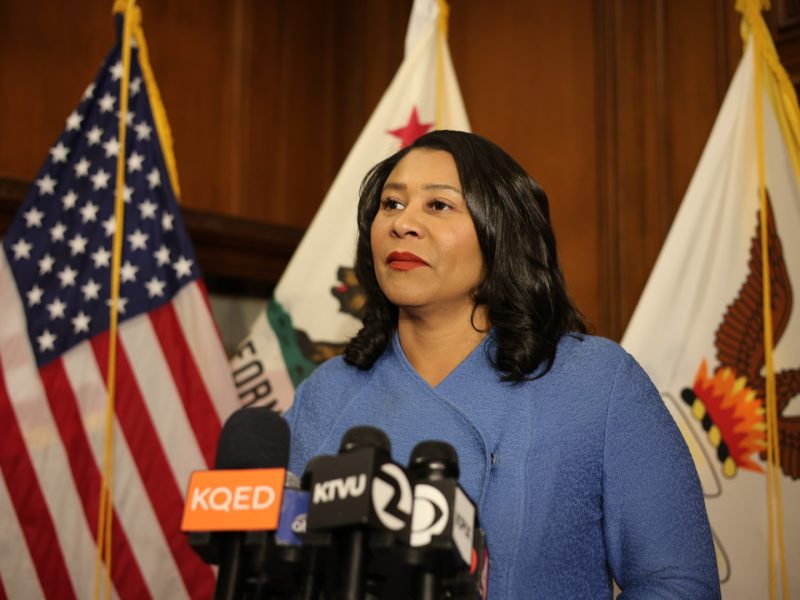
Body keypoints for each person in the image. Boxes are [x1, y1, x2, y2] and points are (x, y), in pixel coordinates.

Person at [285, 130, 720, 598]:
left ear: (501, 233)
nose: (403, 223)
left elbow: (676, 585)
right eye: (391, 204)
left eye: (438, 206)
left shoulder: (596, 382)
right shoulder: (326, 393)